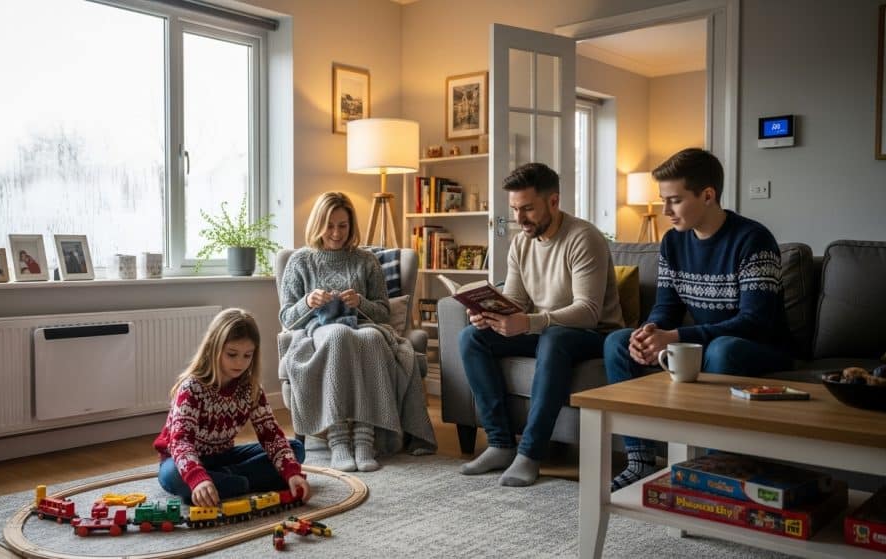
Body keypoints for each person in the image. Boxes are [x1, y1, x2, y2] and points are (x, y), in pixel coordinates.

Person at [603, 148, 793, 491]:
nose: (665, 211)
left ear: (707, 195)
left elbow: (755, 321)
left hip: (761, 348)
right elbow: (666, 308)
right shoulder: (673, 242)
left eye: (674, 201)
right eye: (663, 200)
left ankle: (715, 471)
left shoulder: (753, 239)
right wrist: (650, 331)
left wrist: (675, 337)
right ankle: (640, 461)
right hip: (705, 344)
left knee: (723, 349)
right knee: (618, 341)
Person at [458, 162, 623, 487]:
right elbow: (516, 301)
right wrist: (489, 314)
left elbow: (588, 311)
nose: (519, 219)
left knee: (554, 338)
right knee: (472, 338)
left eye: (528, 209)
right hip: (547, 330)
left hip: (594, 334)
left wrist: (530, 322)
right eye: (514, 209)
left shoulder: (583, 238)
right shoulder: (521, 243)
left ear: (553, 201)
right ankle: (500, 444)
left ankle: (531, 453)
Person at [278, 192, 436, 472]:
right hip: (319, 331)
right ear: (317, 224)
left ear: (351, 225)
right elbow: (287, 319)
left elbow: (383, 313)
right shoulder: (300, 261)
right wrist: (308, 302)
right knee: (338, 334)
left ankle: (365, 439)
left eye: (343, 225)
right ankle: (338, 439)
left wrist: (360, 302)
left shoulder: (366, 260)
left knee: (373, 337)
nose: (336, 233)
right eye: (329, 226)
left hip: (363, 327)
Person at [154, 308, 310, 507]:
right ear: (214, 348)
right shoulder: (191, 388)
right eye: (232, 354)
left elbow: (270, 435)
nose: (240, 362)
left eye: (247, 355)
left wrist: (292, 473)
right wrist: (197, 478)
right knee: (172, 476)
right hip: (180, 459)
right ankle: (237, 483)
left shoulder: (251, 388)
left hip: (224, 457)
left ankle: (225, 482)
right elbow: (181, 441)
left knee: (295, 449)